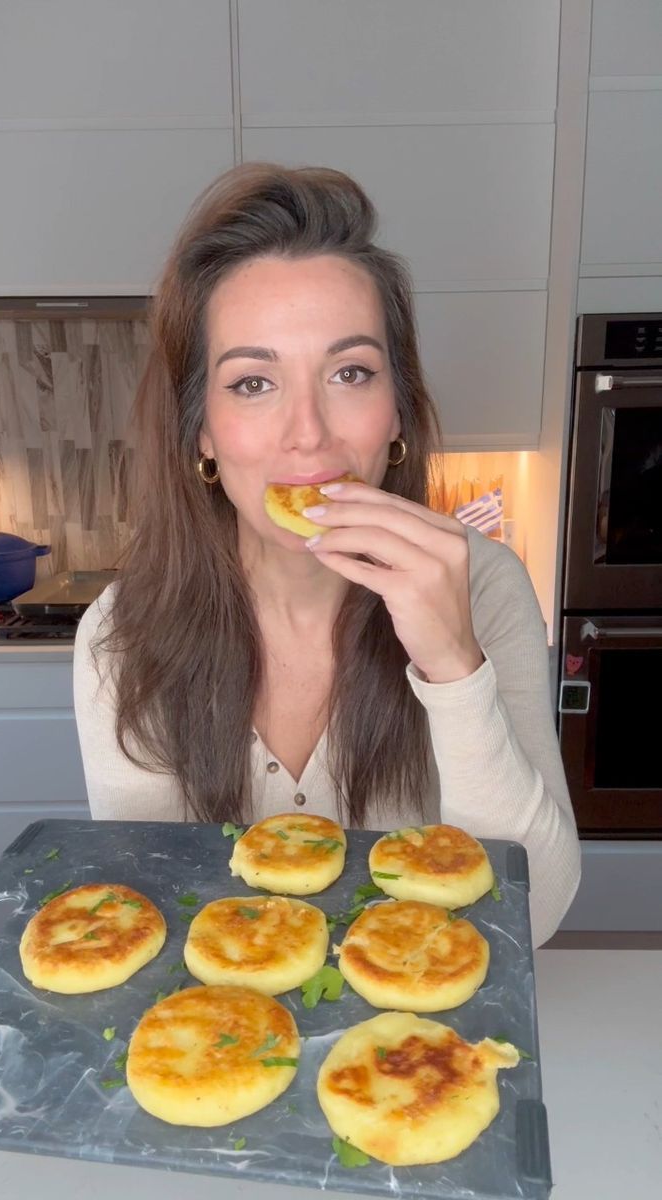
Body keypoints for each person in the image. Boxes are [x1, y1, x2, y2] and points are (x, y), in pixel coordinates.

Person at [73, 162, 581, 948]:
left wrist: (453, 665)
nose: (308, 433)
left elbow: (535, 916)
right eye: (252, 383)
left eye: (350, 373)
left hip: (423, 1052)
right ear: (201, 433)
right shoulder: (123, 631)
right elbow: (150, 916)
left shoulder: (483, 586)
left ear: (396, 412)